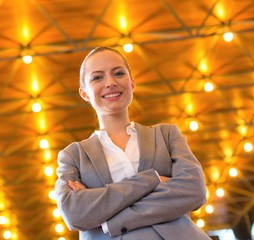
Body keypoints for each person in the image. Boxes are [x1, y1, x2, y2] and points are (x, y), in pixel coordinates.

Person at [54, 46, 211, 240]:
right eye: (97, 77)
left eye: (119, 73)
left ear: (132, 83)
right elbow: (75, 214)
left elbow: (194, 191)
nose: (110, 82)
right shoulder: (73, 156)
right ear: (84, 93)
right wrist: (152, 180)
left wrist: (110, 218)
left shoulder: (166, 135)